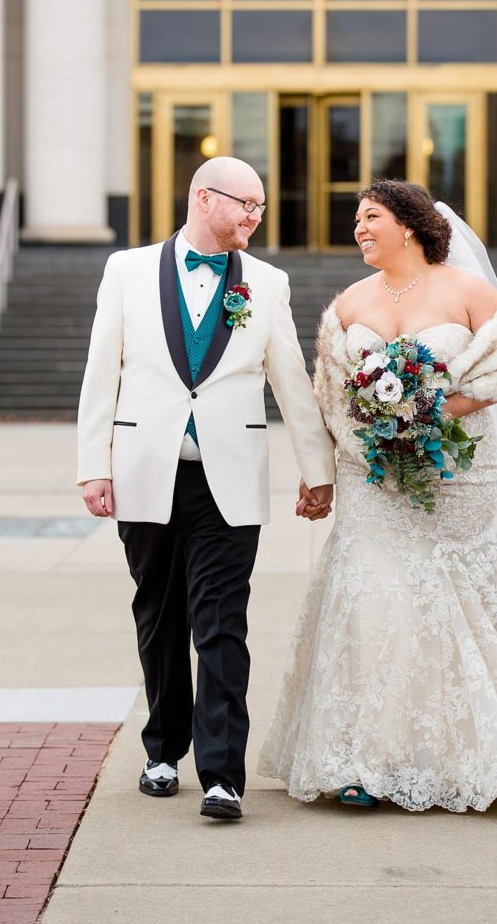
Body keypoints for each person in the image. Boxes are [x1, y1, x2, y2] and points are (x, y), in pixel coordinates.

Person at [259, 180, 497, 814]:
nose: (359, 227)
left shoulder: (467, 291)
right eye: (356, 218)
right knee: (368, 600)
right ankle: (360, 760)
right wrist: (318, 470)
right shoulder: (349, 303)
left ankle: (457, 755)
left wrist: (438, 406)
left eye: (370, 216)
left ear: (409, 224)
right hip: (371, 474)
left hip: (458, 472)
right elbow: (329, 396)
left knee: (449, 601)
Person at [77, 157, 335, 821]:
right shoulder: (127, 271)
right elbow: (101, 373)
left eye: (261, 206)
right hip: (143, 472)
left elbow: (291, 384)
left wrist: (318, 471)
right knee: (158, 615)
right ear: (203, 198)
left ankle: (223, 774)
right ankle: (163, 749)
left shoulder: (268, 284)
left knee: (223, 623)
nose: (255, 216)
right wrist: (93, 466)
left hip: (230, 480)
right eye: (245, 203)